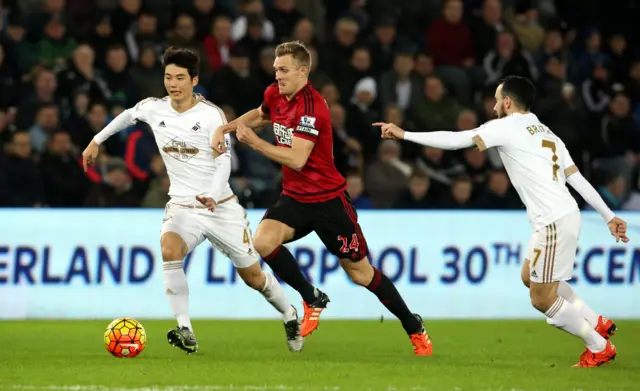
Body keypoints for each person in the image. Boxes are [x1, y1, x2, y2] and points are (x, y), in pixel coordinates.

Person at [374, 75, 627, 367]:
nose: (494, 104)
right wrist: (608, 215)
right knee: (528, 275)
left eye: (497, 99)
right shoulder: (547, 132)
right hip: (558, 216)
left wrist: (405, 135)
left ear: (507, 101)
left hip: (554, 221)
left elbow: (458, 140)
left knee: (542, 299)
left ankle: (598, 346)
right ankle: (597, 321)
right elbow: (577, 178)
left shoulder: (507, 126)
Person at [207, 41, 432, 356]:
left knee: (360, 273)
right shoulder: (275, 93)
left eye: (284, 70)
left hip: (328, 201)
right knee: (262, 242)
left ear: (303, 71)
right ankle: (311, 297)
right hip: (295, 198)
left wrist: (254, 143)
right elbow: (260, 115)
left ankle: (413, 326)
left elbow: (297, 159)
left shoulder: (314, 108)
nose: (278, 75)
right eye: (275, 69)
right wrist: (226, 128)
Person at [82, 47, 303, 355]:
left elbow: (224, 161)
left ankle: (289, 314)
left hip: (220, 207)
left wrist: (212, 194)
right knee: (169, 248)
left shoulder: (211, 114)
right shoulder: (154, 108)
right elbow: (127, 116)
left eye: (180, 78)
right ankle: (185, 328)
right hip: (182, 206)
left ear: (194, 80)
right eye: (168, 77)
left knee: (254, 277)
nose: (173, 84)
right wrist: (95, 142)